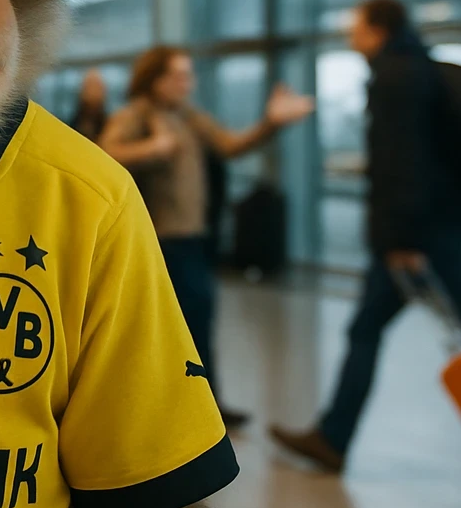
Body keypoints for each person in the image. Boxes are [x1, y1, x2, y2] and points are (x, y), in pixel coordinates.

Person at [271, 0, 461, 471]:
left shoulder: (395, 78)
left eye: (354, 26)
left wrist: (401, 240)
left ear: (377, 30)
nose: (349, 35)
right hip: (441, 225)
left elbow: (401, 166)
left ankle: (333, 440)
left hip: (418, 236)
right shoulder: (421, 70)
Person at [97, 46, 314, 429]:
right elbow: (103, 153)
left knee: (200, 323)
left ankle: (205, 403)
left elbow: (230, 145)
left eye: (189, 75)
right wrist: (153, 147)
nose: (188, 83)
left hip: (193, 238)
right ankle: (169, 412)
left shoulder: (187, 116)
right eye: (179, 76)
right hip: (163, 243)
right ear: (155, 79)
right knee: (169, 330)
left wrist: (271, 123)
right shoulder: (135, 116)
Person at [69, 67, 107, 141]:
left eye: (97, 86)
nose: (93, 91)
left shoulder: (109, 125)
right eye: (90, 85)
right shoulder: (71, 125)